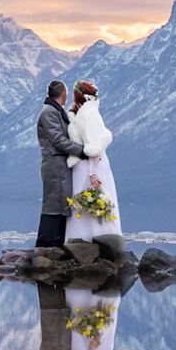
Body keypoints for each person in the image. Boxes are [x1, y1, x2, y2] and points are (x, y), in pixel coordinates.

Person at [65, 79, 122, 242]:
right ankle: (78, 239)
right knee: (80, 199)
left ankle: (99, 239)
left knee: (95, 196)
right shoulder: (78, 113)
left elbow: (94, 147)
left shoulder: (90, 115)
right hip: (79, 165)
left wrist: (92, 173)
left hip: (92, 165)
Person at [36, 80, 89, 249]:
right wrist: (81, 151)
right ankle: (45, 245)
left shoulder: (55, 111)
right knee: (53, 204)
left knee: (61, 204)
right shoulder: (49, 112)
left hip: (60, 164)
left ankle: (57, 244)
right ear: (64, 94)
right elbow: (58, 139)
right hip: (54, 163)